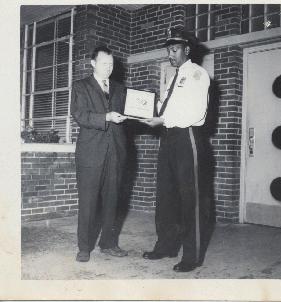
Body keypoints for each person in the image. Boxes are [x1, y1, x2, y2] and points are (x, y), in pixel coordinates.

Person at [141, 28, 211, 272]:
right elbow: (163, 107)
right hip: (168, 138)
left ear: (187, 50)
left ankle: (192, 256)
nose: (170, 54)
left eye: (174, 49)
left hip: (187, 136)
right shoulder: (173, 77)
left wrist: (163, 120)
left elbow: (196, 114)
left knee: (190, 199)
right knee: (166, 196)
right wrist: (146, 112)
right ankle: (166, 246)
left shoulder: (197, 75)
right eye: (168, 50)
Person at [71, 46, 128, 262]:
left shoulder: (120, 88)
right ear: (93, 63)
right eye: (104, 64)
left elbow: (126, 114)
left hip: (116, 152)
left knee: (113, 199)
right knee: (88, 201)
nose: (109, 68)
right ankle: (84, 247)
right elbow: (80, 115)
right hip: (90, 153)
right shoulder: (81, 86)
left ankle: (109, 244)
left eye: (111, 64)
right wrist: (107, 117)